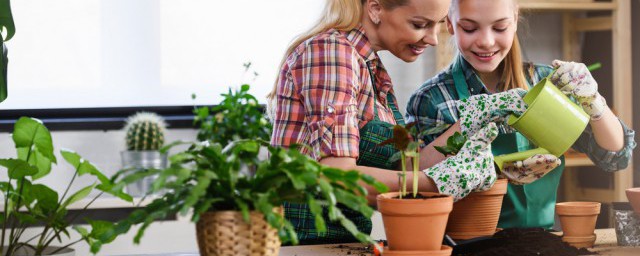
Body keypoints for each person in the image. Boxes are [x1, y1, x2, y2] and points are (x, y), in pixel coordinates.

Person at [267, 0, 511, 245]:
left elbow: (404, 169)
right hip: (305, 244)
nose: (433, 39)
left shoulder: (370, 67)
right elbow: (336, 176)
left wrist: (471, 121)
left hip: (343, 242)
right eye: (420, 24)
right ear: (375, 9)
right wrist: (437, 184)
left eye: (437, 25)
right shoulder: (331, 52)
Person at [406, 0, 636, 229]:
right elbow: (413, 183)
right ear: (450, 24)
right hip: (466, 243)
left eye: (499, 28)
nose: (486, 41)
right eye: (469, 28)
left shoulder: (545, 84)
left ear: (515, 20)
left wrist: (595, 103)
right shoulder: (433, 98)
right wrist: (470, 122)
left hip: (540, 241)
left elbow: (614, 158)